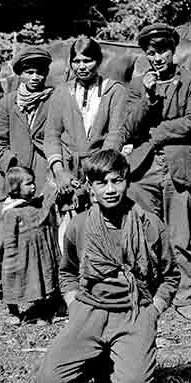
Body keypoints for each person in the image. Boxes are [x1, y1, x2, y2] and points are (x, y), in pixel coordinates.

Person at [36, 150, 178, 383]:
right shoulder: (79, 225)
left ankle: (117, 353)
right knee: (49, 380)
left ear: (127, 181)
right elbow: (68, 272)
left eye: (117, 181)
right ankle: (99, 356)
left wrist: (153, 310)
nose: (110, 190)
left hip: (134, 311)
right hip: (91, 310)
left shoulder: (150, 224)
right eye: (102, 183)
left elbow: (171, 275)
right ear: (91, 187)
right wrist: (74, 306)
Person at [116, 23, 191, 321]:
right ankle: (146, 290)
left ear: (174, 51)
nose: (157, 57)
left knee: (179, 235)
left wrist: (156, 134)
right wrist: (148, 97)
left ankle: (184, 295)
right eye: (151, 52)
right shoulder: (138, 85)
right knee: (144, 231)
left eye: (163, 51)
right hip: (143, 169)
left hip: (179, 166)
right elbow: (129, 128)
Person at [0, 46, 55, 304]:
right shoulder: (7, 103)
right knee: (0, 232)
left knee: (42, 234)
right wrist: (12, 168)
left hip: (44, 178)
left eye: (40, 72)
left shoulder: (54, 100)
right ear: (20, 74)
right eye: (29, 72)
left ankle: (44, 290)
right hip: (12, 180)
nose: (35, 78)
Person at [44, 37, 129, 240]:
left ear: (98, 62)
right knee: (67, 228)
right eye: (76, 61)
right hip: (67, 169)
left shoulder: (114, 91)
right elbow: (52, 135)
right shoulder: (62, 92)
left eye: (87, 60)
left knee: (102, 226)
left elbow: (116, 133)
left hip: (101, 168)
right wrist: (59, 171)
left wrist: (97, 173)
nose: (81, 66)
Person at [0, 166, 60, 326]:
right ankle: (13, 311)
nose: (33, 186)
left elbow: (43, 210)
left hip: (34, 254)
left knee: (36, 280)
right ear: (15, 188)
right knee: (12, 280)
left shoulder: (32, 204)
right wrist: (11, 257)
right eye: (28, 183)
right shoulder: (11, 212)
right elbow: (9, 238)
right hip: (19, 255)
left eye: (33, 182)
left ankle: (41, 313)